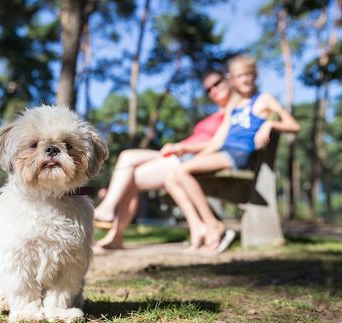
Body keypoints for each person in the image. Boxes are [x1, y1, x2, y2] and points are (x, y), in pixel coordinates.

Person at [164, 55, 301, 255]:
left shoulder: (263, 99)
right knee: (173, 175)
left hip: (239, 155)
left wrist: (270, 123)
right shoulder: (234, 106)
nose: (244, 79)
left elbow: (294, 126)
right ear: (233, 80)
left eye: (248, 74)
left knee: (183, 171)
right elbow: (217, 142)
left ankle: (214, 225)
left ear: (254, 76)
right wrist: (187, 151)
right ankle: (199, 228)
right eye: (239, 76)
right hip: (224, 151)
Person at [93, 69, 237, 253]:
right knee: (127, 157)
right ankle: (109, 217)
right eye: (208, 89)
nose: (213, 90)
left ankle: (112, 226)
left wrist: (184, 148)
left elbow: (220, 143)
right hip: (180, 152)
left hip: (190, 157)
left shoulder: (235, 111)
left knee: (131, 174)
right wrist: (179, 146)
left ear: (228, 80)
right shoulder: (216, 114)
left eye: (217, 83)